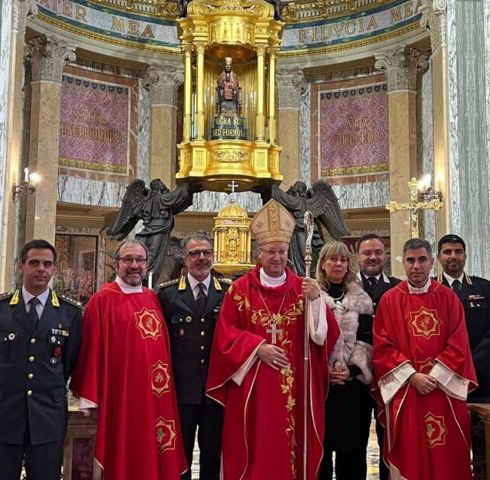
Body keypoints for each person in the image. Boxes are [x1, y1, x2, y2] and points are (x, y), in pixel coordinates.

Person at [207, 199, 340, 480]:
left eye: (281, 251)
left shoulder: (303, 289)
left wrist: (316, 302)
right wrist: (258, 347)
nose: (277, 257)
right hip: (252, 389)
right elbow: (225, 336)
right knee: (254, 446)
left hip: (295, 386)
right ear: (259, 253)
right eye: (270, 252)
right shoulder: (240, 290)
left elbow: (324, 336)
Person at [70, 240, 186, 480]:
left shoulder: (152, 297)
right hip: (121, 399)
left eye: (139, 260)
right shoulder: (101, 300)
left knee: (157, 455)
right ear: (116, 264)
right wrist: (89, 399)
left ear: (147, 265)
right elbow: (89, 351)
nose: (134, 265)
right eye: (128, 260)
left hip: (157, 399)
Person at [372, 238, 477, 480]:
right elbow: (383, 346)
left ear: (432, 262)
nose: (416, 266)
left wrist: (434, 377)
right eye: (410, 260)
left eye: (422, 260)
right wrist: (413, 376)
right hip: (407, 391)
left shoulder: (448, 298)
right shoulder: (389, 300)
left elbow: (459, 343)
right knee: (410, 450)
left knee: (446, 453)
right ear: (403, 264)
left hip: (443, 391)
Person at [0, 239, 82, 480]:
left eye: (47, 264)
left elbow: (69, 362)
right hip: (4, 415)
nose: (41, 269)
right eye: (34, 262)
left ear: (54, 269)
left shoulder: (69, 312)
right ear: (20, 266)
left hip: (47, 417)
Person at [158, 233, 231, 480]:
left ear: (213, 256)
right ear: (185, 259)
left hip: (216, 390)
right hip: (181, 391)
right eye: (194, 253)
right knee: (181, 454)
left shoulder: (229, 293)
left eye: (206, 253)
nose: (201, 258)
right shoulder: (167, 295)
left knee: (212, 455)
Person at [317, 241, 374, 480]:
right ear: (322, 264)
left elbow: (368, 340)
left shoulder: (361, 299)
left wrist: (350, 370)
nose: (338, 264)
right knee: (320, 453)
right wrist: (324, 371)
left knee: (351, 454)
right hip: (321, 388)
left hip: (353, 390)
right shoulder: (312, 297)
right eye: (332, 259)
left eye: (343, 260)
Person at [436, 234, 490, 403]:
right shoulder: (432, 289)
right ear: (439, 257)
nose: (453, 256)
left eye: (458, 252)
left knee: (481, 428)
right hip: (442, 375)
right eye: (447, 252)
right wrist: (447, 366)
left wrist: (471, 362)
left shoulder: (483, 286)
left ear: (465, 257)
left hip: (480, 373)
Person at [356, 233, 400, 480]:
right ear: (358, 257)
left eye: (378, 252)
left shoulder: (398, 287)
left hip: (390, 375)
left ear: (385, 256)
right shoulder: (348, 286)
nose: (373, 257)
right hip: (357, 378)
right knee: (353, 441)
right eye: (367, 253)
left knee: (390, 440)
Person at [107, 178, 196, 283]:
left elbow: (175, 205)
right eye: (162, 184)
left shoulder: (147, 199)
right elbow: (174, 197)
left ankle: (146, 278)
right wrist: (187, 186)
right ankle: (147, 278)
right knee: (153, 256)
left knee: (152, 255)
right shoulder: (160, 198)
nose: (164, 186)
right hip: (158, 231)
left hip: (151, 230)